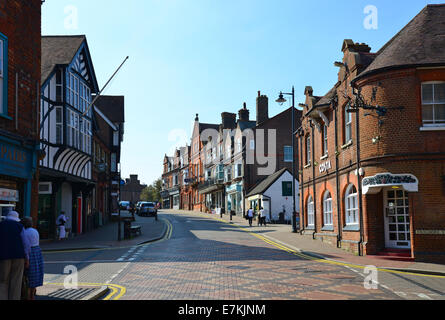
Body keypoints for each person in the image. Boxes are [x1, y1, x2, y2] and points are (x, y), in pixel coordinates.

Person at [0, 211, 30, 300]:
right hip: (19, 256)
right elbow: (26, 244)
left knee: (2, 281)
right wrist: (27, 258)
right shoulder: (19, 226)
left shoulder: (1, 225)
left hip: (3, 256)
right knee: (16, 281)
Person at [22, 217, 44, 300]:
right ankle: (33, 294)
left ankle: (28, 296)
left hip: (30, 252)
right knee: (35, 274)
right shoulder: (35, 231)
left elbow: (25, 245)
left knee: (29, 275)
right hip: (37, 251)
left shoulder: (25, 232)